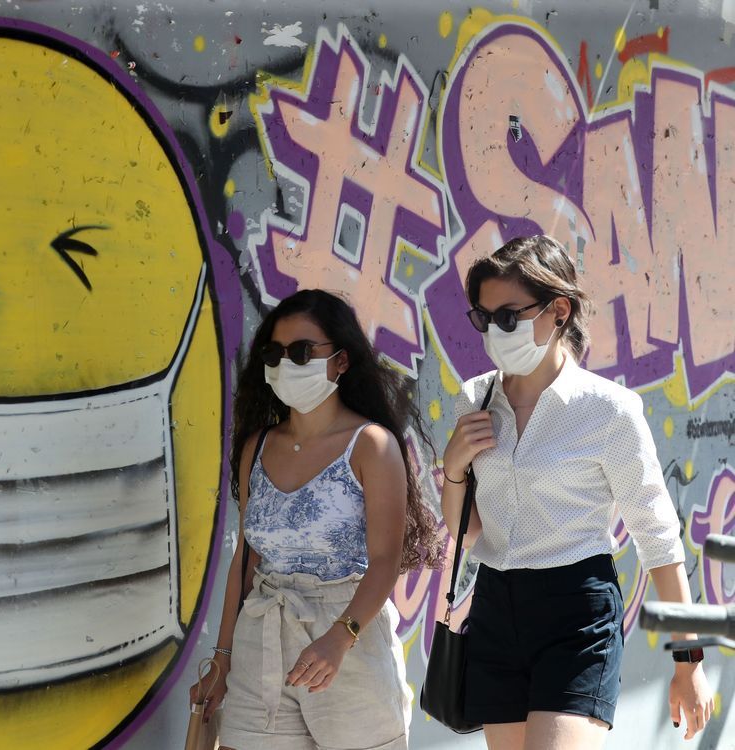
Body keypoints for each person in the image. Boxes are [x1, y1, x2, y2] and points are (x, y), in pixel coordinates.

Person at [441, 235, 715, 749]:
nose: (495, 332)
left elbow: (657, 537)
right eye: (484, 318)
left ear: (558, 310)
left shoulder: (609, 410)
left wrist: (688, 660)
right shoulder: (474, 400)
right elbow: (469, 529)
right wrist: (454, 468)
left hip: (576, 612)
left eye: (508, 317)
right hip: (496, 607)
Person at [189, 289, 441, 750]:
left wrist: (339, 638)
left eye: (302, 351)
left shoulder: (372, 445)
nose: (287, 363)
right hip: (261, 636)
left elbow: (384, 561)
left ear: (341, 361)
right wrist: (222, 659)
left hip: (347, 636)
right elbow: (246, 559)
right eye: (275, 352)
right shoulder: (256, 446)